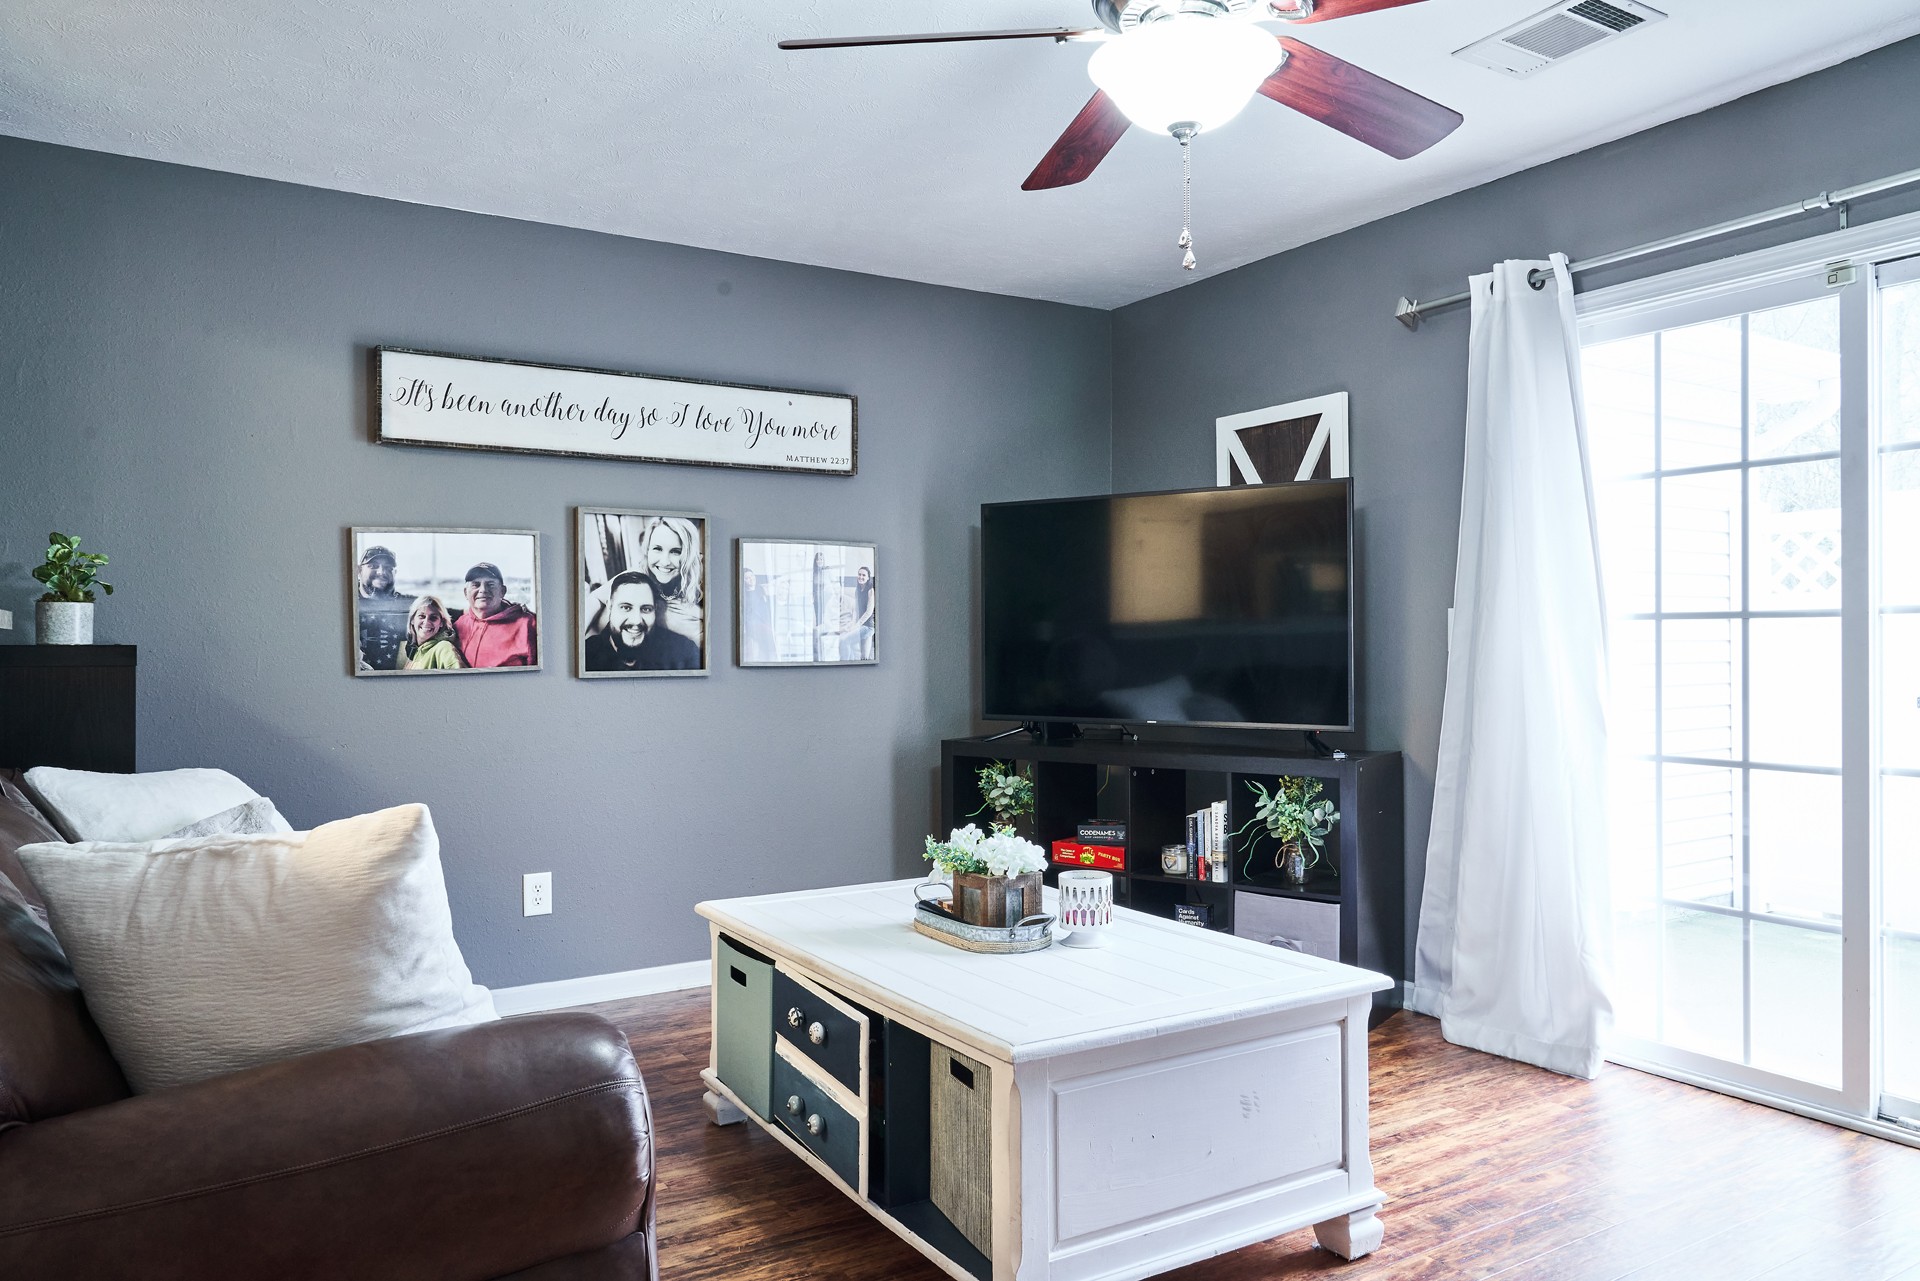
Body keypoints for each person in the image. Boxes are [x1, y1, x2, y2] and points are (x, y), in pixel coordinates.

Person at [584, 570, 701, 672]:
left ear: (655, 609)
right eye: (626, 608)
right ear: (610, 606)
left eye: (646, 609)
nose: (636, 621)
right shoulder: (586, 655)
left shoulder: (684, 652)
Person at [453, 562, 538, 667]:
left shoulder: (528, 624)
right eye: (476, 585)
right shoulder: (458, 625)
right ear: (466, 593)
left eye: (490, 584)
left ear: (503, 591)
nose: (483, 590)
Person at [642, 516, 704, 645]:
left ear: (689, 555)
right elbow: (596, 598)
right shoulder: (637, 576)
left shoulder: (702, 583)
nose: (665, 562)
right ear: (647, 549)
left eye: (676, 552)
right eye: (657, 549)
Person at [355, 544, 414, 672]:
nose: (381, 572)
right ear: (358, 571)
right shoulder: (344, 602)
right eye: (373, 566)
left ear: (395, 573)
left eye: (388, 568)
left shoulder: (411, 605)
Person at [400, 595, 467, 670]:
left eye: (433, 618)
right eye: (422, 616)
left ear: (441, 623)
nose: (426, 622)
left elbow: (460, 679)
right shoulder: (415, 653)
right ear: (412, 620)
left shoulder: (444, 648)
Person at [739, 565, 775, 663]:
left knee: (769, 655)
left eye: (752, 576)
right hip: (754, 631)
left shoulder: (763, 591)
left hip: (767, 628)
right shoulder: (744, 596)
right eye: (747, 578)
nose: (751, 579)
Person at [840, 564, 875, 661]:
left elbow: (869, 612)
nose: (861, 577)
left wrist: (857, 625)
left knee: (844, 641)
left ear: (868, 578)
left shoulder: (870, 591)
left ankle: (845, 664)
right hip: (860, 625)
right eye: (859, 574)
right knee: (863, 657)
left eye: (864, 575)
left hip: (868, 627)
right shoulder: (857, 590)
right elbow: (856, 609)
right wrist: (852, 623)